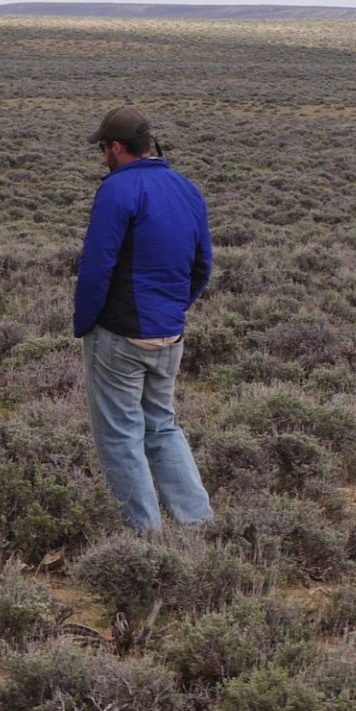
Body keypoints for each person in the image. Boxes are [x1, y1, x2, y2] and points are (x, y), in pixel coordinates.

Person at [76, 106, 215, 532]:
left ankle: (144, 537)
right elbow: (202, 264)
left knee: (120, 436)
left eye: (103, 148)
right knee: (162, 426)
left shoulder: (118, 190)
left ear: (116, 147)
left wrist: (85, 322)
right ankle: (198, 525)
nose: (103, 156)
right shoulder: (186, 188)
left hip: (120, 333)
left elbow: (96, 266)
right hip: (169, 333)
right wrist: (173, 309)